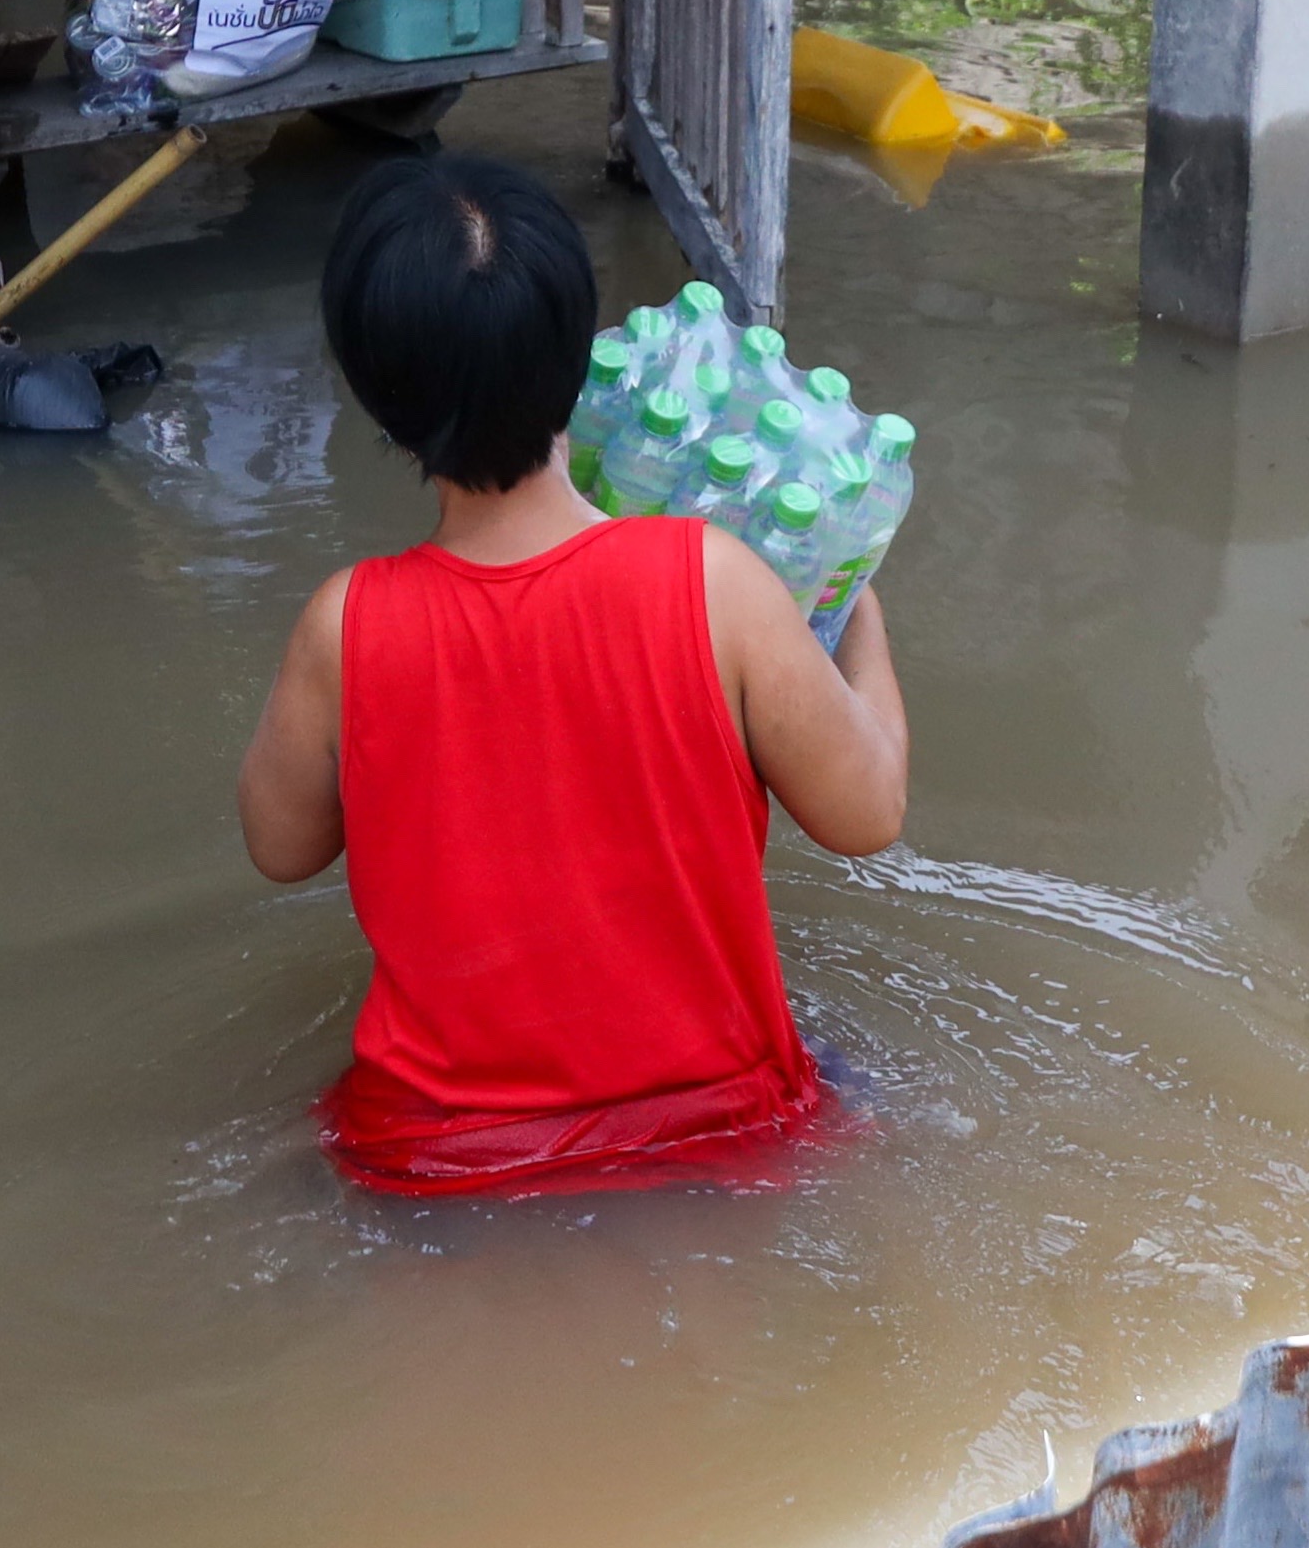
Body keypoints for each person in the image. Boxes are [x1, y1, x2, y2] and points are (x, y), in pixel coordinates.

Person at [235, 153, 910, 1194]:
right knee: (849, 1081)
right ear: (577, 351)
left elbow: (280, 845)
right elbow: (866, 812)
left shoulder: (345, 623)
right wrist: (850, 598)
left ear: (374, 389)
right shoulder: (716, 582)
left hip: (434, 1149)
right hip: (708, 1128)